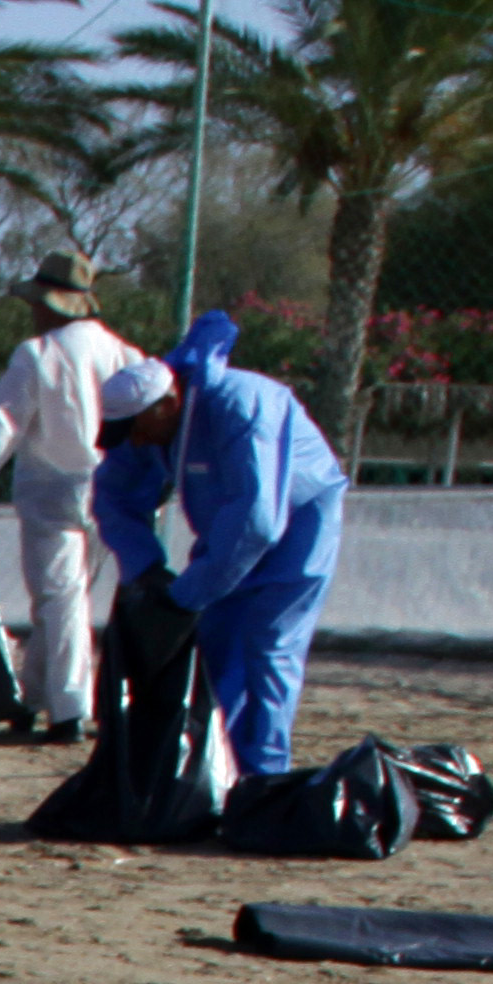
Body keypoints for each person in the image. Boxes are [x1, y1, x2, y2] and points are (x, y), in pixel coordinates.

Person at [97, 315, 348, 780]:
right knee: (217, 644)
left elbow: (258, 520)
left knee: (269, 644)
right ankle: (214, 772)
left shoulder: (239, 406)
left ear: (167, 405)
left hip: (300, 522)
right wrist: (145, 568)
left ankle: (263, 778)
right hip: (230, 527)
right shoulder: (150, 427)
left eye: (135, 429)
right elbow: (114, 493)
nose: (133, 441)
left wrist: (188, 593)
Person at [0, 255, 145, 740]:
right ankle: (32, 695)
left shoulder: (36, 354)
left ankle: (70, 707)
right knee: (71, 597)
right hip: (112, 488)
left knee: (59, 597)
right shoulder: (125, 354)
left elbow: (2, 425)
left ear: (50, 304)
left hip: (52, 489)